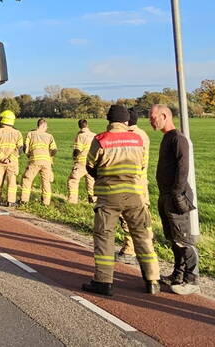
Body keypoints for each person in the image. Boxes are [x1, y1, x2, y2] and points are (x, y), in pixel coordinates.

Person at [81, 104, 160, 297]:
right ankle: (152, 280)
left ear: (109, 120)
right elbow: (141, 165)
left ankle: (104, 281)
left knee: (104, 237)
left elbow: (90, 166)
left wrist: (102, 175)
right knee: (142, 236)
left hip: (108, 196)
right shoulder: (137, 140)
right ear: (126, 121)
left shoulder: (100, 140)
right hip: (134, 194)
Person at [150, 103, 200, 295]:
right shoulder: (167, 138)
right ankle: (177, 274)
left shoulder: (178, 139)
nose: (151, 121)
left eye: (153, 117)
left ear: (164, 115)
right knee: (173, 238)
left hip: (175, 196)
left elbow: (183, 167)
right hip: (166, 195)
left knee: (183, 239)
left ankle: (192, 279)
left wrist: (177, 194)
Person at [118, 107, 150, 258]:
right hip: (142, 181)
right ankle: (147, 246)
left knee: (128, 216)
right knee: (143, 215)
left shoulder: (128, 137)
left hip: (130, 182)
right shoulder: (143, 134)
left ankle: (129, 249)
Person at [20, 119, 57, 205]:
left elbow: (25, 147)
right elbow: (54, 150)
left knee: (27, 179)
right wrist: (49, 156)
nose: (47, 128)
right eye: (46, 127)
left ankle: (24, 200)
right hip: (46, 162)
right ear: (43, 125)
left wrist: (29, 155)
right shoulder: (49, 136)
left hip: (34, 160)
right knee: (46, 182)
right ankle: (46, 203)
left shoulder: (31, 134)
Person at [0, 110, 24, 206]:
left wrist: (2, 158)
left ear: (2, 119)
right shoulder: (17, 133)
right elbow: (20, 148)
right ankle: (10, 201)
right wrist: (10, 158)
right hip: (12, 163)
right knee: (12, 183)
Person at [67, 119, 96, 204]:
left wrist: (74, 157)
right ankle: (93, 201)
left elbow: (78, 150)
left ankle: (72, 202)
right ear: (87, 125)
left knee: (73, 180)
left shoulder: (80, 135)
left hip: (82, 162)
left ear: (79, 126)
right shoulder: (94, 135)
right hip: (92, 163)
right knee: (91, 182)